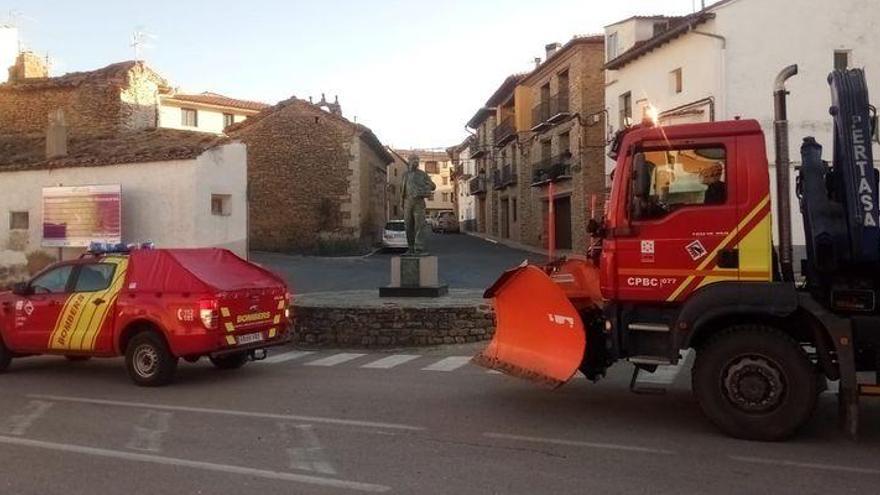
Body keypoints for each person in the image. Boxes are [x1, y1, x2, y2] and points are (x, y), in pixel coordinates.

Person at [400, 154, 436, 255]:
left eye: (417, 160)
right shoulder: (405, 175)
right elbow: (402, 190)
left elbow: (433, 186)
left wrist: (423, 190)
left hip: (419, 202)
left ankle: (419, 249)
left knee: (419, 226)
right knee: (408, 226)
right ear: (409, 161)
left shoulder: (423, 174)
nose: (416, 162)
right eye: (413, 160)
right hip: (407, 202)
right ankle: (410, 248)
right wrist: (401, 203)